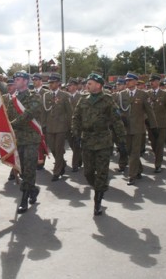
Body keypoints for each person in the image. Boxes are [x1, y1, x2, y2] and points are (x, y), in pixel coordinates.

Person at [72, 73, 127, 216]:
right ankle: (100, 188)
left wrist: (122, 140)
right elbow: (76, 117)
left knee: (102, 171)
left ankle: (98, 201)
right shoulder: (83, 99)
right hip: (87, 140)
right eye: (87, 83)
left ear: (98, 85)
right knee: (88, 172)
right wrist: (76, 134)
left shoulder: (108, 99)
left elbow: (117, 120)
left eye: (89, 83)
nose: (87, 86)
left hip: (103, 140)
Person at [6, 71, 43, 214]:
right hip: (18, 140)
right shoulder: (12, 99)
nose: (15, 80)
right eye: (15, 78)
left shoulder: (34, 96)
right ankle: (33, 190)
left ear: (26, 81)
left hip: (31, 139)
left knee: (29, 169)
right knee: (21, 170)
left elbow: (29, 114)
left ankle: (24, 199)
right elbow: (8, 117)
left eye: (19, 78)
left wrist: (13, 124)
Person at [116, 72, 158, 186]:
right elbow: (116, 109)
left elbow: (150, 111)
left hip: (138, 128)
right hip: (126, 128)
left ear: (135, 82)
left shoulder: (143, 95)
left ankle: (132, 175)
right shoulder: (121, 95)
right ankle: (138, 169)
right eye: (126, 80)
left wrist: (154, 127)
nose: (127, 82)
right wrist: (119, 118)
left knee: (135, 152)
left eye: (129, 80)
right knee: (129, 151)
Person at [42, 72, 72, 181]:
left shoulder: (64, 95)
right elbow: (43, 112)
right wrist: (43, 125)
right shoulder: (46, 95)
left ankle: (56, 172)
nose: (50, 84)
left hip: (61, 127)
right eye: (49, 82)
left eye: (53, 82)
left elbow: (69, 112)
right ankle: (62, 163)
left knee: (59, 149)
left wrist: (70, 127)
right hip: (49, 127)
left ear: (58, 83)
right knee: (53, 148)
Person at [147, 74, 166, 172]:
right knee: (154, 145)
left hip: (162, 124)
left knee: (160, 144)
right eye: (150, 81)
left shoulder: (165, 94)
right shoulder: (147, 94)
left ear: (158, 82)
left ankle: (158, 165)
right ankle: (158, 157)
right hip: (151, 125)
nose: (151, 83)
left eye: (153, 81)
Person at [31, 72, 49, 170]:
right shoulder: (30, 93)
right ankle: (36, 161)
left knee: (43, 143)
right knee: (34, 143)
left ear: (41, 81)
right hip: (33, 122)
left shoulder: (46, 93)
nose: (34, 82)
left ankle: (41, 162)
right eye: (33, 80)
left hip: (43, 122)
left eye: (36, 80)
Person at [66, 78, 83, 172]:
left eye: (71, 85)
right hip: (68, 124)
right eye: (68, 85)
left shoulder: (81, 97)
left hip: (78, 125)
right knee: (71, 144)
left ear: (76, 87)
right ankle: (80, 158)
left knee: (76, 144)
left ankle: (75, 164)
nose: (69, 87)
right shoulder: (66, 97)